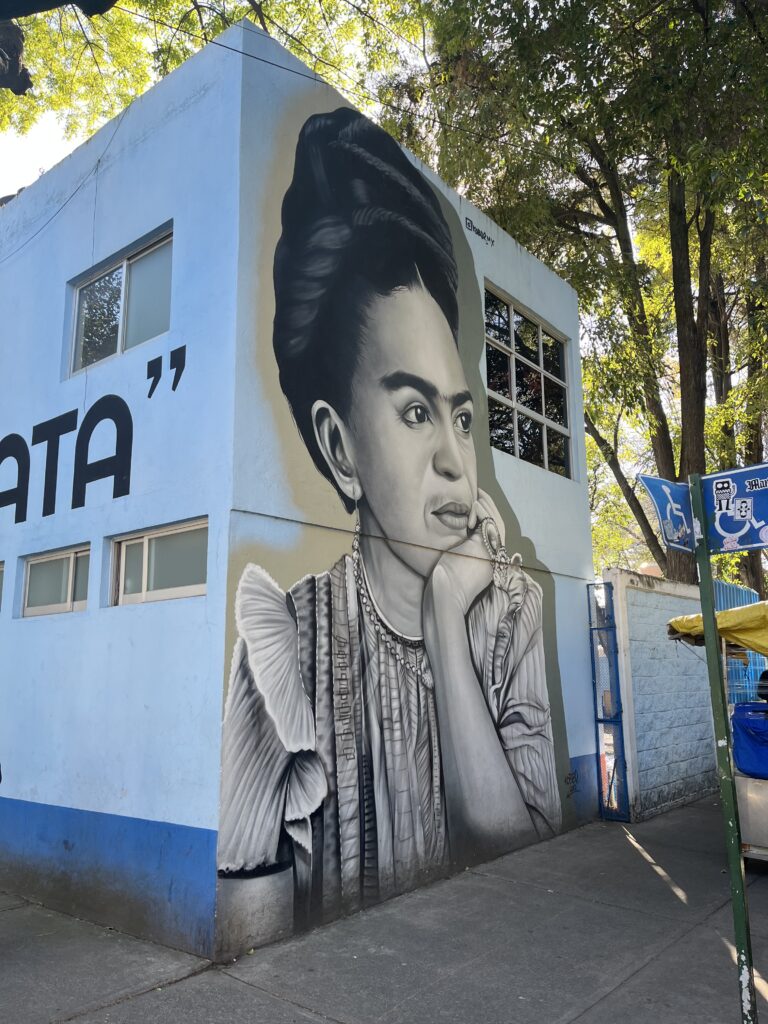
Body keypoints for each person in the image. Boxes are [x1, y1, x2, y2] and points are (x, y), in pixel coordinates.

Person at [218, 107, 561, 928]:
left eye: (463, 416)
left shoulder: (511, 610)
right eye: (414, 412)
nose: (454, 457)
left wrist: (448, 614)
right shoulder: (281, 651)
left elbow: (519, 861)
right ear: (340, 450)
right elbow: (251, 945)